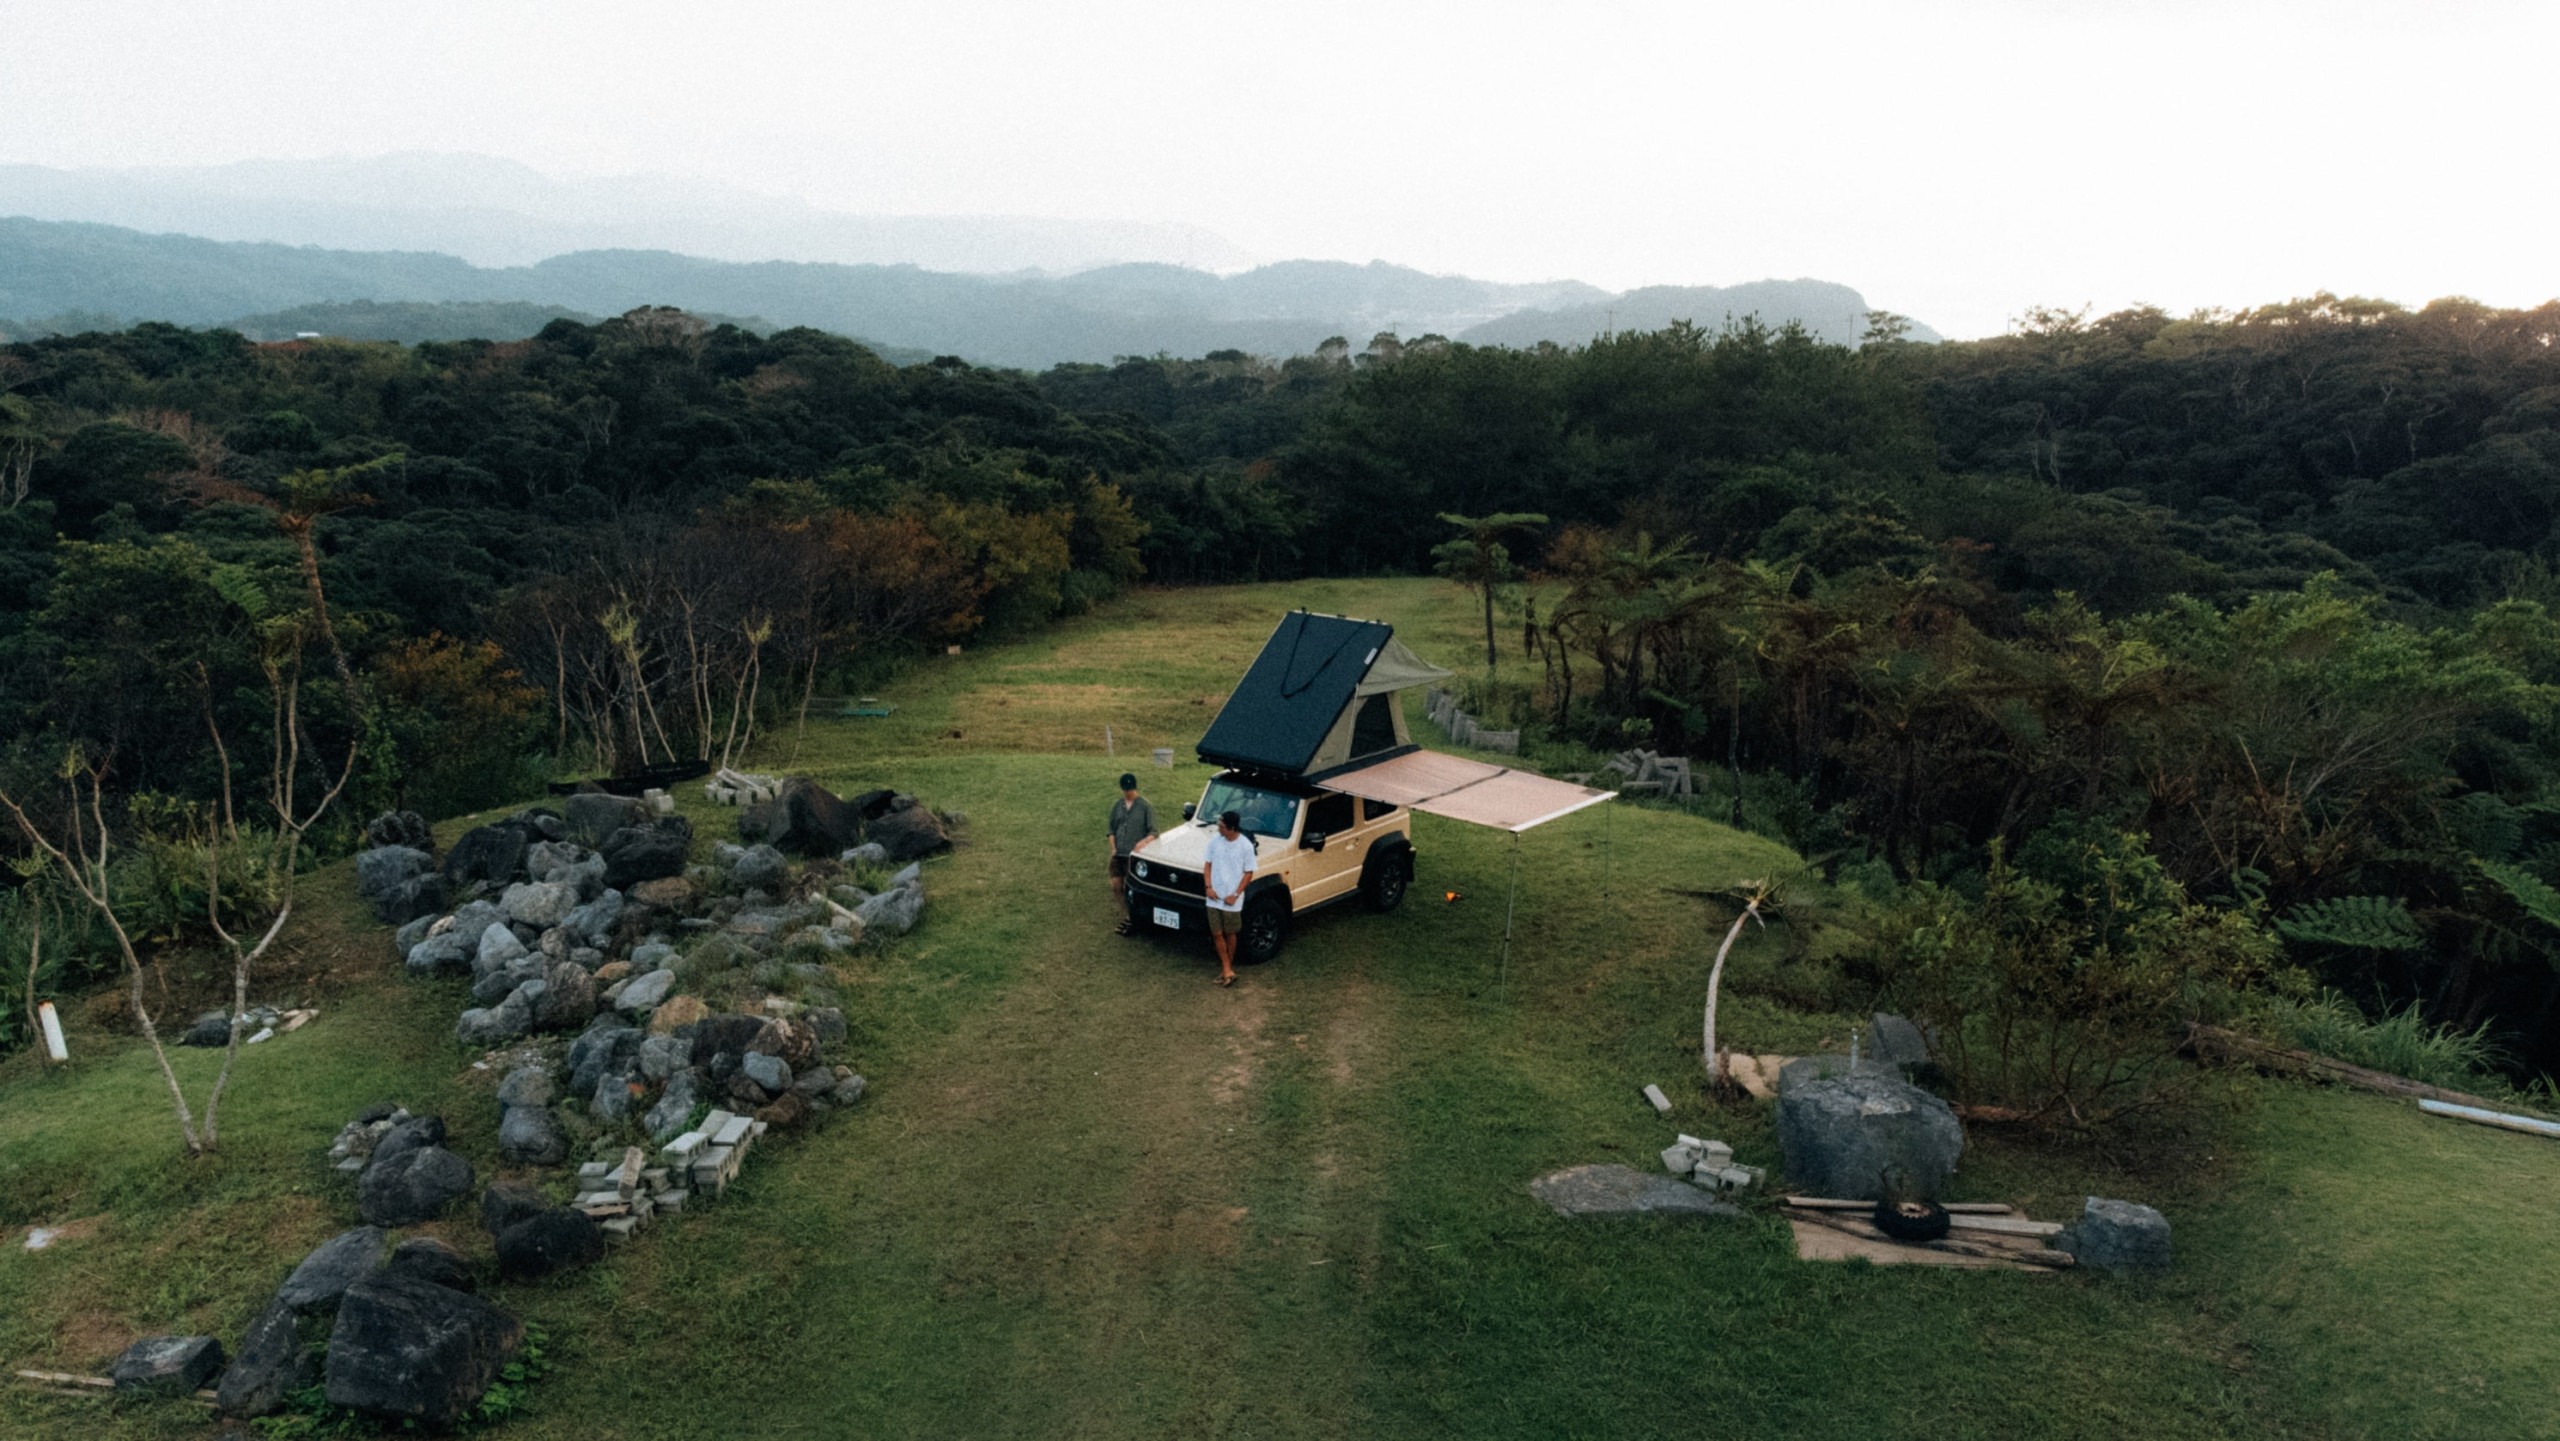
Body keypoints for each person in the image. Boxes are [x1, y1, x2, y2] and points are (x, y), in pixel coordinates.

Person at [1202, 808, 1257, 987]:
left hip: (1232, 899)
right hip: (1214, 897)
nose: (1219, 828)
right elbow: (1207, 865)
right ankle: (1227, 970)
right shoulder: (1215, 841)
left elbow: (1249, 873)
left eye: (1222, 826)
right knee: (1216, 932)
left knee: (1230, 933)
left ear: (1232, 828)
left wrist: (1235, 895)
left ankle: (1226, 969)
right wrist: (1208, 887)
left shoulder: (1245, 846)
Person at [1105, 772, 1156, 936]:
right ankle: (1126, 913)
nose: (1128, 793)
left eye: (1131, 790)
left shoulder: (1145, 807)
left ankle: (1135, 916)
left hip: (1133, 855)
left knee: (1131, 888)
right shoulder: (1117, 806)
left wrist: (1144, 842)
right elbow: (1111, 829)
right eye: (1126, 790)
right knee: (1116, 885)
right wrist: (1113, 847)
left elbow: (1153, 831)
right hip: (1118, 853)